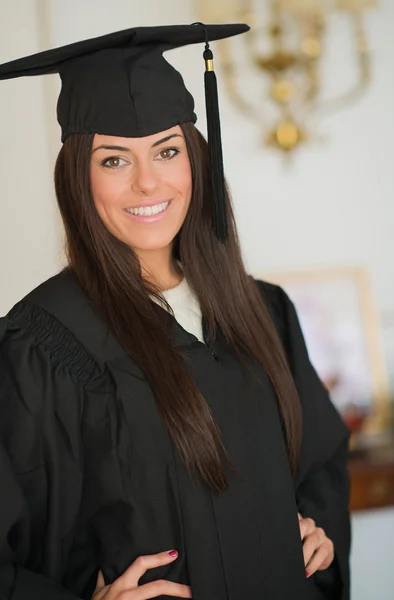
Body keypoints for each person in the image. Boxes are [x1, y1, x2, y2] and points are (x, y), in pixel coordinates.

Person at [0, 22, 350, 600]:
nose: (148, 182)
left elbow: (320, 462)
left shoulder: (262, 309)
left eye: (167, 150)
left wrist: (321, 531)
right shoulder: (44, 343)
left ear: (196, 159)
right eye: (114, 161)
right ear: (78, 179)